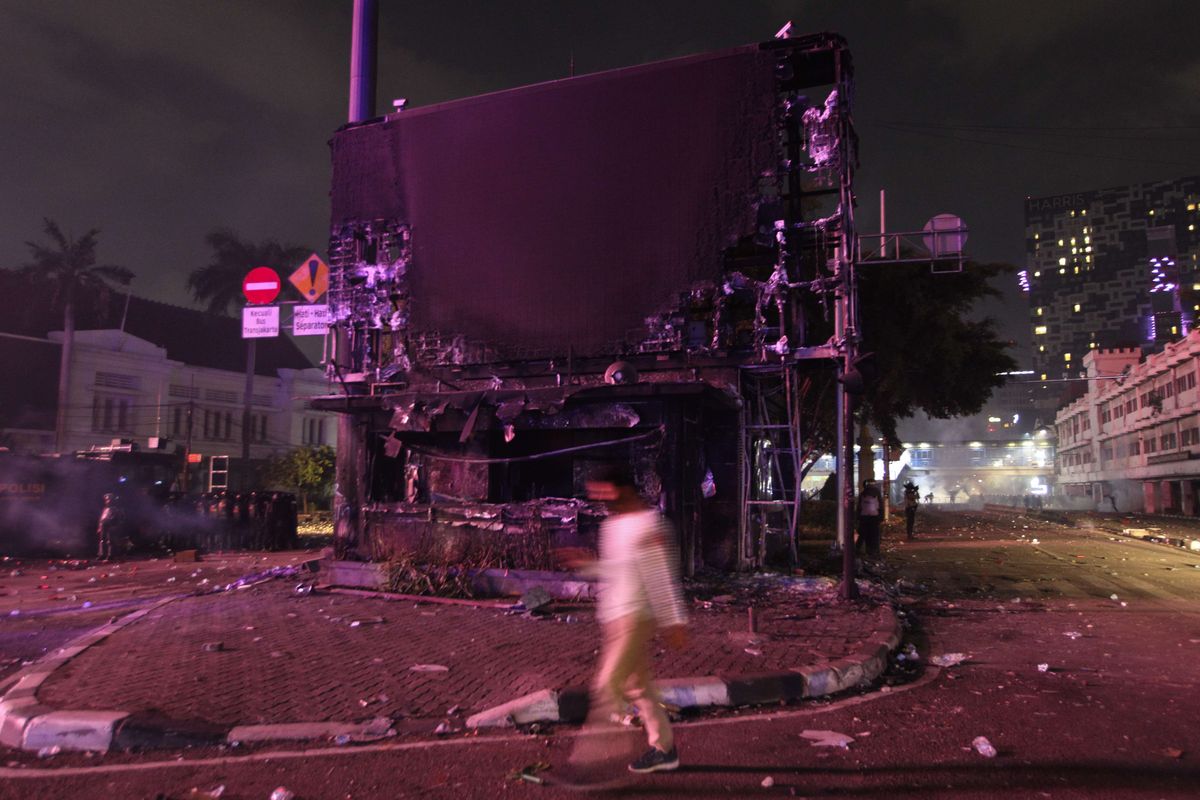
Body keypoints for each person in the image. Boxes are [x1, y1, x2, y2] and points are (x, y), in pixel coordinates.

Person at [562, 464, 689, 780]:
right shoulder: (612, 526)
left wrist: (673, 620)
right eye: (596, 496)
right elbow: (615, 570)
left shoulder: (650, 525)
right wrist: (587, 565)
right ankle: (664, 750)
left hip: (637, 616)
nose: (601, 501)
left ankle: (590, 766)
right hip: (614, 617)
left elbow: (660, 576)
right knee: (638, 687)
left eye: (605, 493)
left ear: (624, 489)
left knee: (607, 686)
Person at [856, 479, 883, 558]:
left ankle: (859, 550)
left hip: (864, 517)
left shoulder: (863, 494)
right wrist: (881, 516)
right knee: (874, 535)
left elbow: (859, 507)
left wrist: (858, 517)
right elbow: (880, 505)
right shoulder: (877, 492)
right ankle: (875, 552)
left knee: (863, 535)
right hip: (874, 517)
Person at [96, 493, 121, 561]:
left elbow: (115, 518)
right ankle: (102, 554)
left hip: (110, 526)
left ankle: (110, 555)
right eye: (106, 500)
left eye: (108, 499)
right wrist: (100, 526)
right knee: (102, 541)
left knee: (110, 541)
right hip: (104, 526)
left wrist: (113, 525)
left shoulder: (114, 509)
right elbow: (102, 518)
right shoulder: (105, 509)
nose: (107, 501)